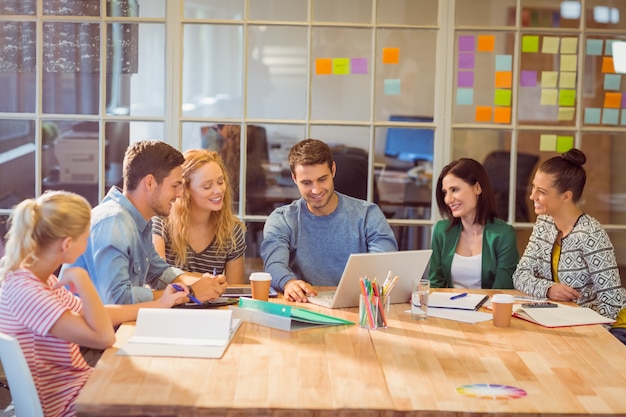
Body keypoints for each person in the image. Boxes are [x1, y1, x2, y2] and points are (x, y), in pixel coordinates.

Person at [0, 191, 188, 417]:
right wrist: (81, 278)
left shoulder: (40, 280)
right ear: (67, 244)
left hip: (81, 389)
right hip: (69, 406)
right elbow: (104, 337)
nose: (89, 241)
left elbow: (98, 315)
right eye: (86, 236)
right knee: (169, 398)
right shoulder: (27, 291)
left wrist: (160, 305)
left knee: (162, 384)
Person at [65, 140, 227, 305]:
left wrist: (202, 284)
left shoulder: (139, 221)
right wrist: (189, 293)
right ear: (150, 183)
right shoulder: (114, 222)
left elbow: (159, 273)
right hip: (91, 329)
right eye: (175, 186)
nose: (180, 194)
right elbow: (117, 299)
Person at [260, 138, 398, 302]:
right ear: (294, 178)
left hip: (357, 304)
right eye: (306, 182)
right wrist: (289, 283)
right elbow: (274, 265)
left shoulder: (368, 214)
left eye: (322, 179)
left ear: (333, 170)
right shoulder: (282, 219)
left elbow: (383, 264)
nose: (316, 190)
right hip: (305, 304)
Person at [513, 148, 626, 344]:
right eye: (533, 188)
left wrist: (583, 334)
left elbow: (613, 302)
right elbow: (520, 275)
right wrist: (549, 289)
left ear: (566, 196)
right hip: (563, 323)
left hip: (611, 328)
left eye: (541, 192)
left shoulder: (591, 234)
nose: (532, 196)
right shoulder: (544, 224)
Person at [152, 149, 247, 283]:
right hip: (171, 303)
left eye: (220, 182)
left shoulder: (232, 230)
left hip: (214, 304)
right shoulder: (161, 222)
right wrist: (203, 280)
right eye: (207, 186)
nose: (218, 190)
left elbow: (234, 290)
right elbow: (156, 277)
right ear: (186, 191)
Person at [428, 158, 519, 289]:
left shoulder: (503, 234)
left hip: (488, 308)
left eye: (454, 190)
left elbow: (503, 291)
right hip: (449, 307)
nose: (448, 199)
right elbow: (435, 285)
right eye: (445, 192)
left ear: (477, 188)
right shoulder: (441, 231)